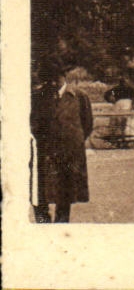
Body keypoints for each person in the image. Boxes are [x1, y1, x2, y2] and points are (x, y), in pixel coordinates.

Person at [31, 61, 93, 222]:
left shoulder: (79, 96)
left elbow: (87, 124)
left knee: (65, 193)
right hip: (45, 152)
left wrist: (73, 141)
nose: (50, 84)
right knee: (40, 191)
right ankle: (43, 220)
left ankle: (61, 224)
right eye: (47, 81)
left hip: (69, 154)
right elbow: (34, 123)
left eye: (53, 80)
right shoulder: (38, 96)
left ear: (62, 77)